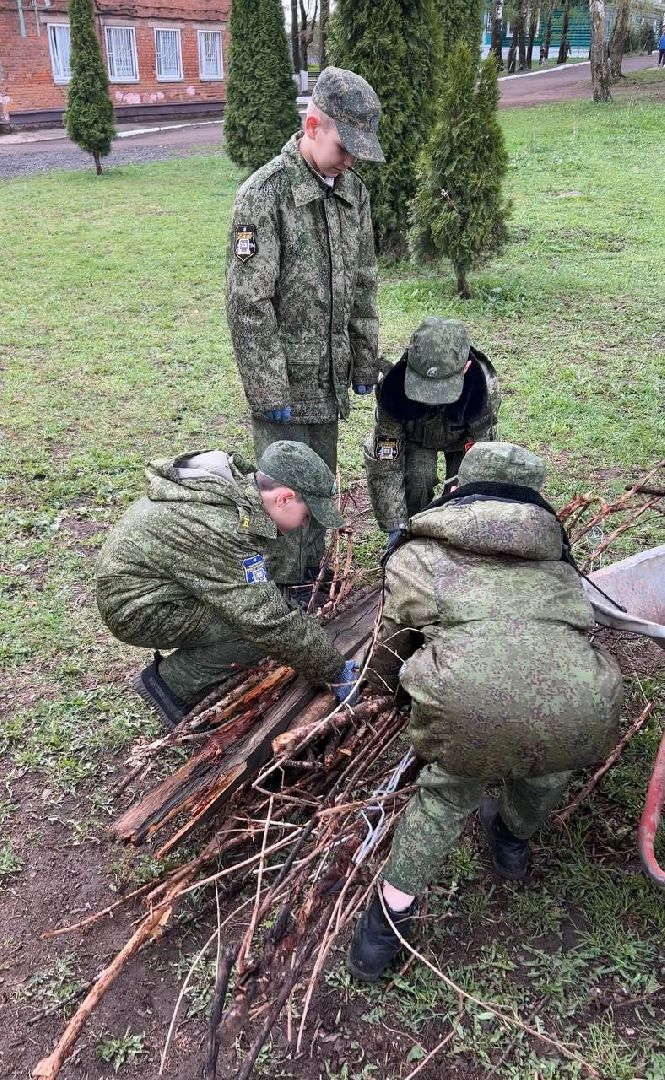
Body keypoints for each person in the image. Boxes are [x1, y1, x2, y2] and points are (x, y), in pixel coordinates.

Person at [347, 442, 623, 982]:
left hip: (468, 710)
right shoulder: (559, 560)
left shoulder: (417, 554)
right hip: (582, 708)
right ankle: (513, 842)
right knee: (549, 762)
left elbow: (393, 641)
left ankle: (382, 930)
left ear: (463, 489)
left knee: (446, 795)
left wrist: (377, 690)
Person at [225, 66, 384, 592]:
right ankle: (279, 589)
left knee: (320, 483)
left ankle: (310, 577)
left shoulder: (353, 194)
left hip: (330, 380)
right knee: (281, 491)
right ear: (313, 126)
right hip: (286, 384)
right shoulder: (264, 195)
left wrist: (363, 360)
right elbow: (249, 302)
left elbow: (363, 282)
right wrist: (268, 388)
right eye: (345, 145)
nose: (352, 158)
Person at [96, 442, 358, 728]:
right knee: (249, 631)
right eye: (306, 515)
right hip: (136, 608)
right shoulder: (226, 526)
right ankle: (171, 687)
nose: (305, 524)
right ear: (284, 498)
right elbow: (265, 622)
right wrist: (334, 670)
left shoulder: (237, 495)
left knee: (250, 613)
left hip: (155, 585)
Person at [364, 317, 500, 544]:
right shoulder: (393, 388)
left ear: (465, 367)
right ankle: (412, 534)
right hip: (416, 438)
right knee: (418, 477)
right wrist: (394, 525)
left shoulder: (484, 390)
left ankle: (455, 539)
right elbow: (386, 462)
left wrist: (467, 492)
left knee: (462, 491)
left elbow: (484, 457)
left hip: (462, 440)